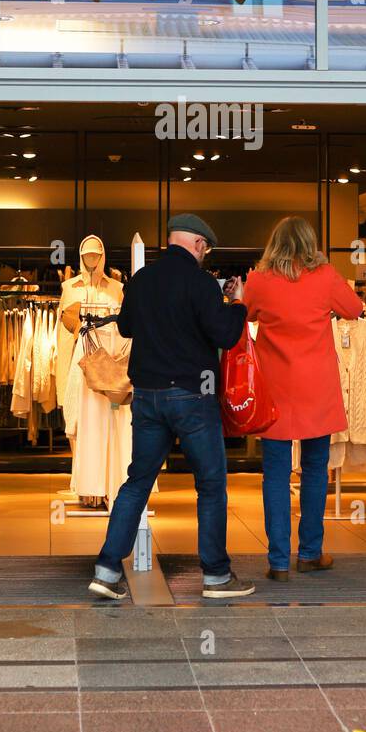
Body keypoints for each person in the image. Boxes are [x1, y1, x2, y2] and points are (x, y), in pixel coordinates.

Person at [89, 213, 255, 601]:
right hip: (192, 397)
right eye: (206, 249)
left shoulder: (142, 279)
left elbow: (127, 327)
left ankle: (107, 569)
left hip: (147, 396)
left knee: (137, 483)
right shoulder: (200, 283)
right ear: (199, 244)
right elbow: (226, 335)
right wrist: (237, 303)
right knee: (210, 485)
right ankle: (215, 576)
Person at [244, 216, 364, 580]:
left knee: (275, 476)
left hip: (275, 391)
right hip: (317, 391)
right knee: (315, 471)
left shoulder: (259, 281)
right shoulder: (325, 276)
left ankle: (278, 560)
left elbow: (243, 314)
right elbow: (356, 309)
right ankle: (310, 552)